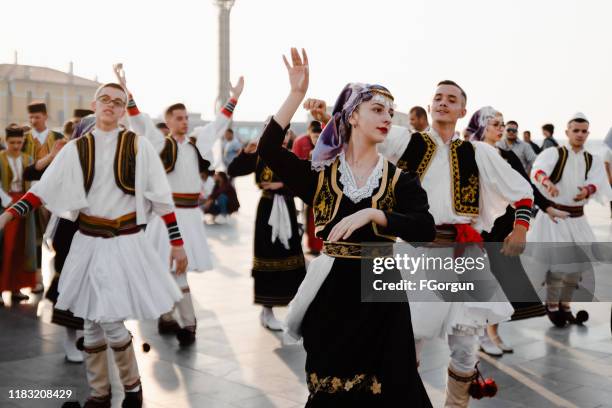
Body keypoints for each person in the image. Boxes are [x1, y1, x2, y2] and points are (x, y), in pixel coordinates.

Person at [0, 82, 188, 408]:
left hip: (124, 243)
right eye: (105, 99)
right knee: (91, 322)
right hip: (87, 242)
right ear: (95, 103)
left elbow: (161, 198)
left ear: (123, 108)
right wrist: (6, 217)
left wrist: (177, 242)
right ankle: (99, 393)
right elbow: (43, 189)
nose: (111, 105)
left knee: (112, 322)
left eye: (118, 102)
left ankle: (131, 388)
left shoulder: (138, 146)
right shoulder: (76, 148)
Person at [264, 48, 435, 406]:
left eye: (390, 111)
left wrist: (375, 215)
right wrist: (295, 96)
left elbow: (424, 229)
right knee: (333, 389)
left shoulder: (399, 180)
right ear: (352, 116)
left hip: (382, 292)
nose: (387, 117)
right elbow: (268, 149)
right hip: (333, 293)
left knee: (392, 389)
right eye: (377, 109)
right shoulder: (321, 176)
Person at [375, 80, 534, 407]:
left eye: (452, 99)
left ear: (463, 111)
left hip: (465, 254)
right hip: (420, 253)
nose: (443, 103)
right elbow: (364, 134)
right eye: (438, 98)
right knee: (410, 339)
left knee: (465, 345)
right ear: (430, 106)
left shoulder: (478, 152)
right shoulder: (406, 143)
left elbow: (522, 191)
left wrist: (520, 229)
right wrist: (338, 114)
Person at [117, 63, 243, 346]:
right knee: (163, 269)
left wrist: (234, 98)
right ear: (169, 121)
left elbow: (218, 124)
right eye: (179, 118)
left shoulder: (197, 142)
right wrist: (127, 93)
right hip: (165, 217)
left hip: (188, 216)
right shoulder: (160, 144)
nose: (185, 121)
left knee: (178, 270)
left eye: (186, 117)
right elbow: (139, 122)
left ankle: (187, 322)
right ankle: (169, 317)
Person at [465, 107, 567, 356]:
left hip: (505, 228)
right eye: (496, 124)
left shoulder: (508, 156)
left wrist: (548, 208)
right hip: (479, 228)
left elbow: (526, 187)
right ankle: (479, 335)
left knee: (501, 283)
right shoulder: (467, 155)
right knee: (480, 284)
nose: (501, 128)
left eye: (503, 124)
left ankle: (493, 333)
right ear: (482, 127)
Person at [529, 112, 611, 327]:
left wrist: (587, 190)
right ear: (567, 132)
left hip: (577, 218)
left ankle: (565, 306)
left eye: (584, 131)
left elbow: (599, 181)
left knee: (577, 267)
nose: (580, 134)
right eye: (576, 130)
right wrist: (547, 183)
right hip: (555, 218)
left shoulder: (591, 158)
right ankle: (552, 305)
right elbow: (537, 171)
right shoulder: (554, 153)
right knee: (558, 266)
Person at [228, 127, 306, 332]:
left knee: (291, 255)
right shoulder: (260, 156)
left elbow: (305, 185)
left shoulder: (292, 158)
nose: (284, 137)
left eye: (287, 134)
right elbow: (233, 170)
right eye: (281, 132)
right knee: (267, 255)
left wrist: (281, 186)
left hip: (287, 208)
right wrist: (246, 152)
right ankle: (267, 309)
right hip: (267, 209)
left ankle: (293, 310)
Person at [23, 101, 66, 294]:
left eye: (37, 117)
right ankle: (37, 279)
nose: (33, 120)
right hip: (30, 191)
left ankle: (59, 277)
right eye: (31, 117)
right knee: (34, 237)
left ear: (45, 116)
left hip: (54, 194)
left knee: (57, 236)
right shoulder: (23, 139)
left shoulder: (57, 138)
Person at [0, 125, 38, 304]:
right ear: (5, 141)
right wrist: (8, 202)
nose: (16, 145)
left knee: (20, 249)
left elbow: (32, 183)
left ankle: (16, 288)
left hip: (24, 206)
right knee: (4, 249)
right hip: (4, 206)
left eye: (19, 142)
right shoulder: (0, 158)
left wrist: (26, 203)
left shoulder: (27, 158)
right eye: (12, 142)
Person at [292, 120, 324, 254]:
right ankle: (313, 245)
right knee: (309, 217)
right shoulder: (301, 142)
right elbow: (295, 163)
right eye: (314, 136)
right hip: (308, 188)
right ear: (308, 133)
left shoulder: (325, 144)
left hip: (323, 187)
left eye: (318, 136)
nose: (315, 139)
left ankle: (320, 245)